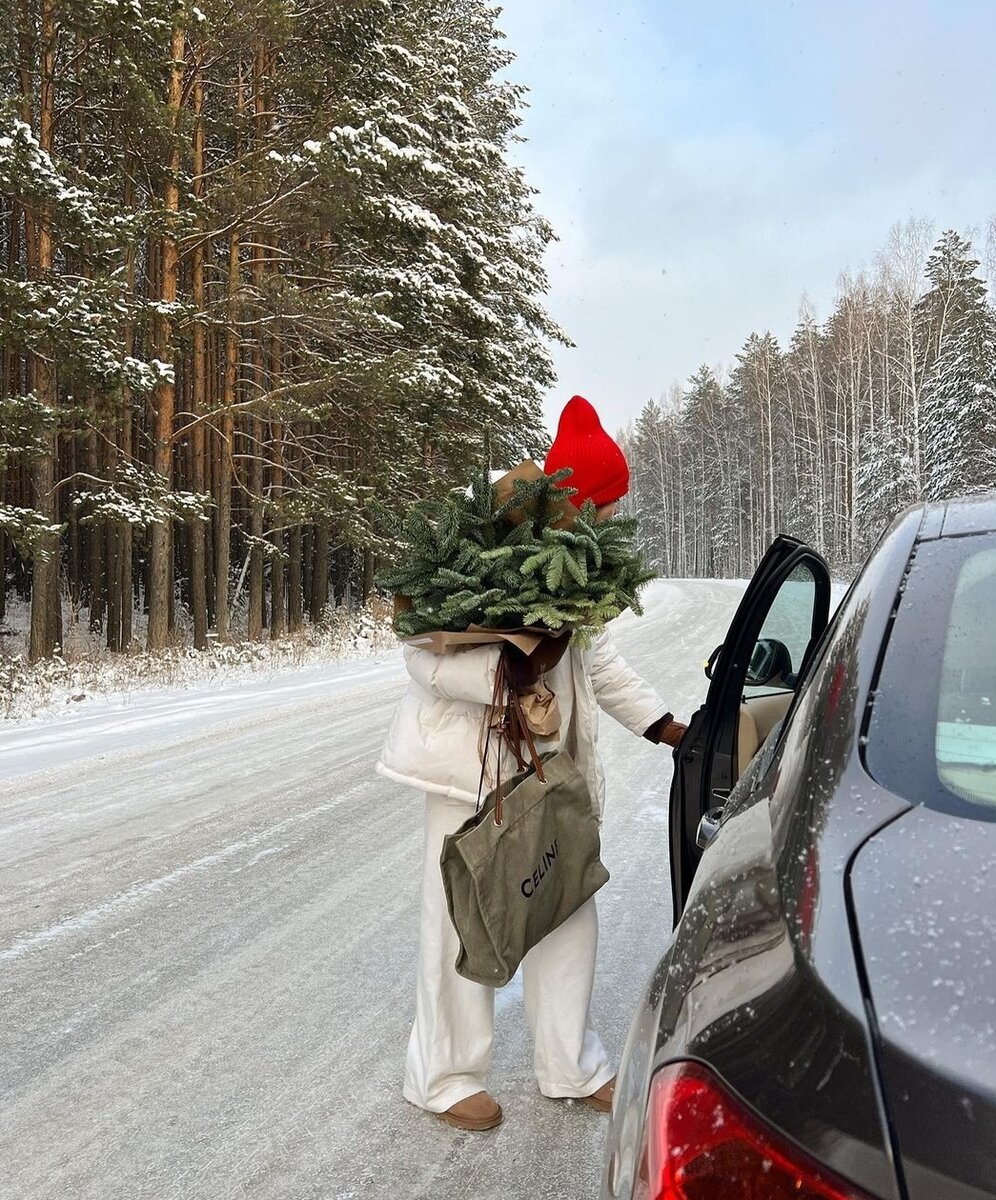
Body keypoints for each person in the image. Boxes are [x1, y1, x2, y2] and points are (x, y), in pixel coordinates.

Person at [377, 395, 687, 1131]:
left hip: (550, 771)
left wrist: (667, 726)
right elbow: (422, 654)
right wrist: (502, 682)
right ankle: (444, 1079)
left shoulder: (578, 567)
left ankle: (570, 1065)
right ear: (578, 497)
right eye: (606, 505)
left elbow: (601, 665)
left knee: (566, 905)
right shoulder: (481, 540)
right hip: (466, 770)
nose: (610, 520)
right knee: (459, 919)